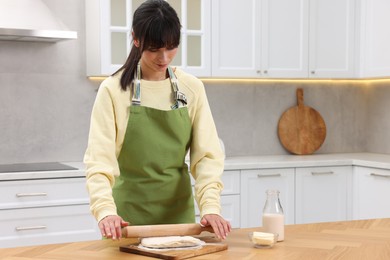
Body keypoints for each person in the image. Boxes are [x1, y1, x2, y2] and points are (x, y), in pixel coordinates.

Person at [84, 0, 231, 241]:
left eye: (172, 47)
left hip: (179, 222)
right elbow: (99, 161)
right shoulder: (113, 90)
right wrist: (105, 211)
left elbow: (207, 157)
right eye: (154, 49)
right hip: (127, 222)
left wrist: (211, 207)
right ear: (136, 38)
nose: (164, 58)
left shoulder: (191, 88)